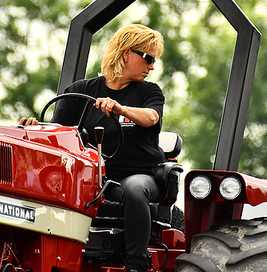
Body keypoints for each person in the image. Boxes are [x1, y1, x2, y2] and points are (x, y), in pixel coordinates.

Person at [20, 24, 165, 272]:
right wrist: (34, 128)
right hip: (91, 180)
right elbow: (56, 134)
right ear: (126, 54)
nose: (152, 66)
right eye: (149, 58)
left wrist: (121, 109)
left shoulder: (149, 92)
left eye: (154, 60)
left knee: (134, 188)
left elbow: (152, 118)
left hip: (138, 175)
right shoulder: (81, 91)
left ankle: (136, 265)